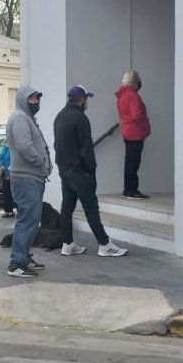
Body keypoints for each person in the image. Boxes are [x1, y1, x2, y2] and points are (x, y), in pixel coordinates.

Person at [54, 85, 128, 258]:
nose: (87, 101)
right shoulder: (80, 118)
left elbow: (59, 145)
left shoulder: (60, 116)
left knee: (67, 206)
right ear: (82, 99)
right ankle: (104, 244)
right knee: (91, 208)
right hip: (79, 172)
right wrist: (91, 170)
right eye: (86, 98)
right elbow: (86, 149)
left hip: (64, 170)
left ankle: (67, 243)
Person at [6, 86, 52, 277]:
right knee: (27, 220)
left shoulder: (27, 118)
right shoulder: (20, 118)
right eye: (32, 98)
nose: (36, 101)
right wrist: (42, 164)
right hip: (26, 178)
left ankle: (24, 257)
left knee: (31, 221)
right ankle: (16, 263)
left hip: (31, 177)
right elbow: (25, 147)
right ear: (23, 100)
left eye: (37, 98)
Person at [115, 69, 151, 199]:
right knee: (134, 163)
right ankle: (133, 191)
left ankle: (127, 189)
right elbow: (137, 115)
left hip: (127, 131)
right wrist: (144, 128)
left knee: (129, 162)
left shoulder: (122, 96)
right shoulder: (134, 96)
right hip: (135, 133)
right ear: (135, 81)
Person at [0, 143, 15, 217]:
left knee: (13, 194)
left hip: (13, 174)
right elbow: (1, 158)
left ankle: (14, 211)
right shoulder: (4, 149)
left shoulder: (14, 148)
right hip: (5, 174)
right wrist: (1, 164)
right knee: (6, 193)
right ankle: (7, 210)